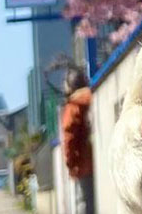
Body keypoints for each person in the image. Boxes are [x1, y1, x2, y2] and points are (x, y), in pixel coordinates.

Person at [60, 66, 95, 214]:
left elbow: (69, 137)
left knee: (84, 203)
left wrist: (70, 163)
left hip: (83, 165)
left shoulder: (74, 105)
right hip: (98, 161)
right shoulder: (93, 97)